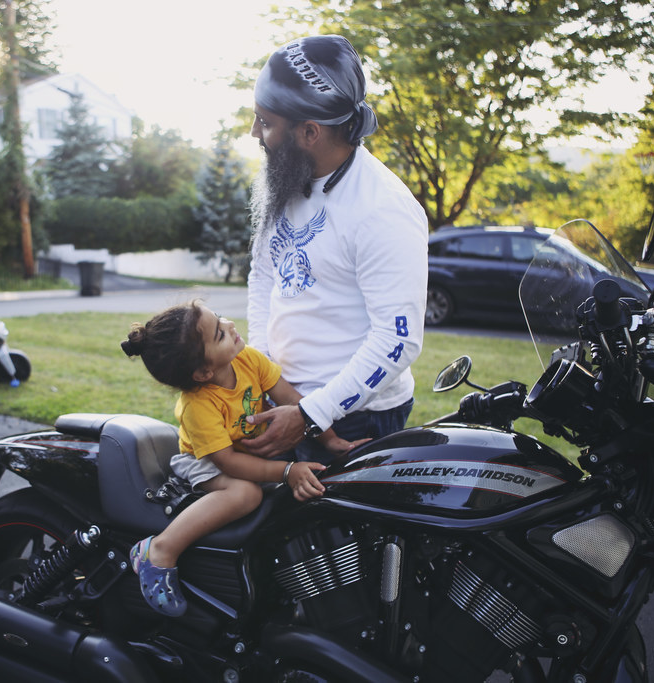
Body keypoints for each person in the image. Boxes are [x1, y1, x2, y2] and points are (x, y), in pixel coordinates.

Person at [243, 35, 429, 465]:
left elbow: (397, 340)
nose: (255, 133)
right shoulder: (289, 178)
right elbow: (264, 275)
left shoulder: (383, 209)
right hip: (284, 402)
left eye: (265, 122)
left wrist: (312, 413)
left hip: (353, 419)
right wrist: (265, 370)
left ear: (310, 132)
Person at [121, 301, 359, 617]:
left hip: (244, 453)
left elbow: (292, 401)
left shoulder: (247, 359)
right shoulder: (199, 406)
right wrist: (287, 471)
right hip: (204, 460)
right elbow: (228, 463)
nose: (231, 324)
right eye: (219, 332)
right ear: (204, 371)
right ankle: (159, 550)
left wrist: (331, 441)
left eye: (219, 317)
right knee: (246, 494)